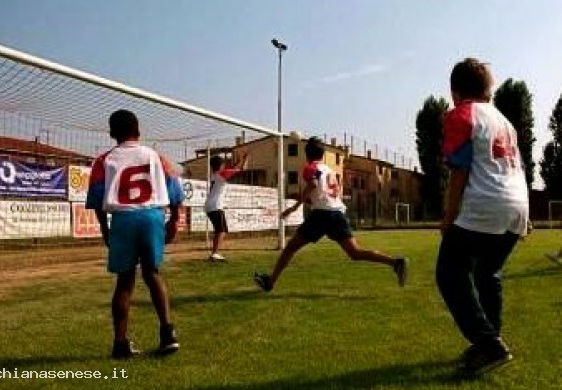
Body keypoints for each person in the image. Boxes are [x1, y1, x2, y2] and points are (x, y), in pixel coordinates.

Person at [436, 58, 529, 375]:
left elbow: (460, 170)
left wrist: (449, 216)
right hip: (517, 204)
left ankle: (489, 345)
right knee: (488, 274)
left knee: (449, 273)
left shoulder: (461, 114)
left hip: (486, 205)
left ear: (455, 91)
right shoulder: (504, 120)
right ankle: (489, 343)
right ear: (489, 90)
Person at [86, 109, 184, 359]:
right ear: (138, 132)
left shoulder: (103, 160)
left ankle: (120, 344)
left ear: (111, 133)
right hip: (152, 216)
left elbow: (97, 200)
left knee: (125, 281)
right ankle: (168, 334)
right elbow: (175, 190)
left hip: (123, 219)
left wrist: (105, 229)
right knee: (153, 274)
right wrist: (174, 219)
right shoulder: (156, 156)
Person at [254, 136, 409, 292]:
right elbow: (324, 193)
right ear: (322, 154)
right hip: (337, 214)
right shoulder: (329, 170)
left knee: (290, 248)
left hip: (321, 215)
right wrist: (308, 200)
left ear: (307, 154)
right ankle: (395, 263)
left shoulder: (310, 168)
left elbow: (313, 185)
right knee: (355, 252)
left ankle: (270, 282)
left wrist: (294, 208)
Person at [204, 152, 248, 262]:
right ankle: (215, 253)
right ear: (221, 165)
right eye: (223, 164)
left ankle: (215, 253)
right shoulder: (222, 173)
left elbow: (231, 169)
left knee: (220, 230)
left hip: (210, 205)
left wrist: (237, 161)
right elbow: (242, 170)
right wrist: (246, 158)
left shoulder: (215, 175)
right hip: (215, 205)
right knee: (221, 230)